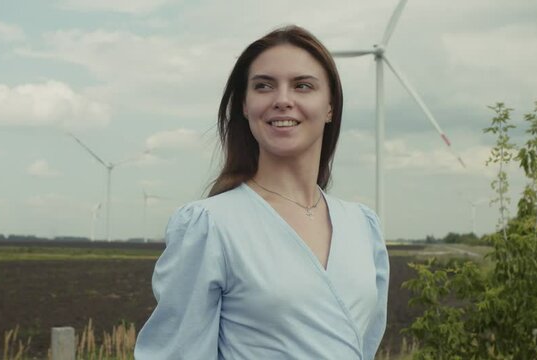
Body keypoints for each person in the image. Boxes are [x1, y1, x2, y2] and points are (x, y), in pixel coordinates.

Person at [134, 25, 389, 360]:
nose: (282, 100)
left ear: (330, 107)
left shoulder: (362, 226)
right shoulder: (210, 225)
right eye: (264, 86)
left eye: (302, 85)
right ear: (244, 105)